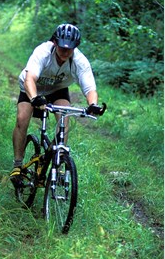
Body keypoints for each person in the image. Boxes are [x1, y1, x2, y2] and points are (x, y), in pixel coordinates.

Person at [10, 23, 103, 187]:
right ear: (55, 42)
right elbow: (30, 78)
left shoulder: (79, 61)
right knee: (22, 118)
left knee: (63, 123)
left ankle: (56, 161)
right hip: (32, 88)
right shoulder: (43, 52)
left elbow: (90, 88)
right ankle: (17, 164)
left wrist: (93, 105)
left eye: (70, 48)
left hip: (57, 90)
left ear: (75, 47)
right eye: (62, 47)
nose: (65, 52)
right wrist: (34, 99)